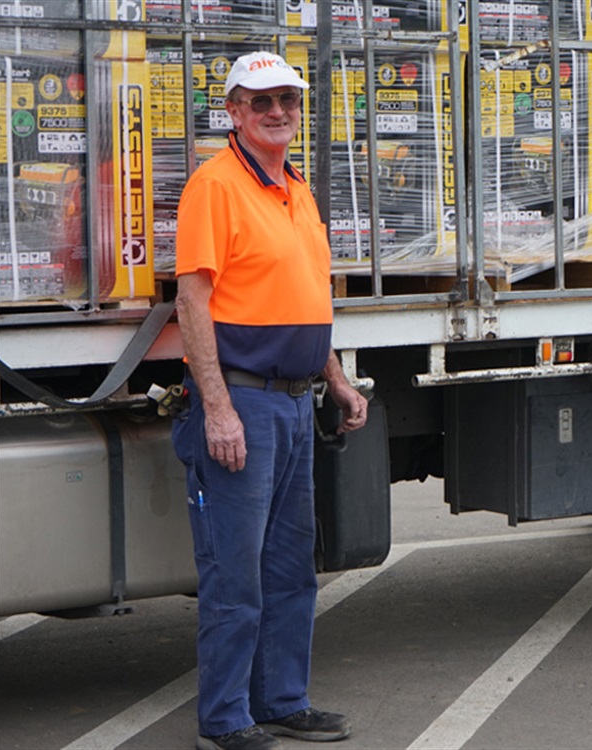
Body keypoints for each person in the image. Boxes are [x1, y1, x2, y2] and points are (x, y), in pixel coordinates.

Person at [173, 51, 369, 749]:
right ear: (234, 111)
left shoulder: (295, 187)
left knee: (291, 568)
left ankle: (282, 699)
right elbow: (192, 301)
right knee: (236, 574)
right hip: (246, 404)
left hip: (294, 401)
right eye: (262, 102)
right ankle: (224, 718)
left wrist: (337, 378)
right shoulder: (215, 185)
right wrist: (218, 407)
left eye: (288, 99)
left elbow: (305, 301)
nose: (278, 111)